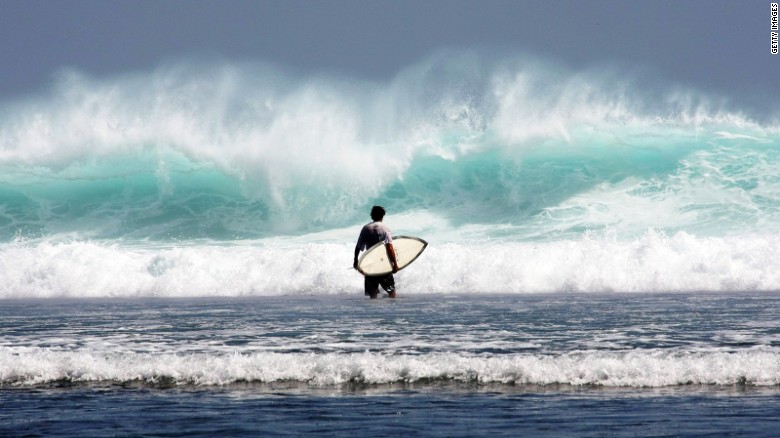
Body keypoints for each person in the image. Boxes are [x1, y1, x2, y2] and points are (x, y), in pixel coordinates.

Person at [353, 206, 400, 299]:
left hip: (369, 264)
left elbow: (358, 247)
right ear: (383, 216)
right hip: (383, 264)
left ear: (371, 216)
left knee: (372, 293)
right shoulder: (385, 229)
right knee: (391, 290)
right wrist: (395, 264)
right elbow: (389, 248)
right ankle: (392, 310)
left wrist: (356, 261)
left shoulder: (366, 229)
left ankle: (373, 311)